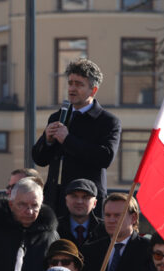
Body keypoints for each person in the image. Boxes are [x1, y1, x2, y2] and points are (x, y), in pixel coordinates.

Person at [32, 58, 121, 218]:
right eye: (70, 83)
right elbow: (39, 159)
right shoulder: (58, 116)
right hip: (55, 201)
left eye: (79, 84)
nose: (72, 88)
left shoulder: (107, 121)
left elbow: (105, 157)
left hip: (86, 203)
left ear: (93, 90)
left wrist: (68, 140)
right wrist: (47, 140)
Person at [80, 193, 150, 271]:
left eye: (118, 215)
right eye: (108, 215)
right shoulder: (91, 250)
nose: (111, 220)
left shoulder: (147, 249)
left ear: (133, 218)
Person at [57, 179, 106, 247]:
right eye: (74, 196)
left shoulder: (104, 230)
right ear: (66, 201)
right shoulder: (55, 228)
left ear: (94, 203)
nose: (79, 202)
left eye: (85, 197)